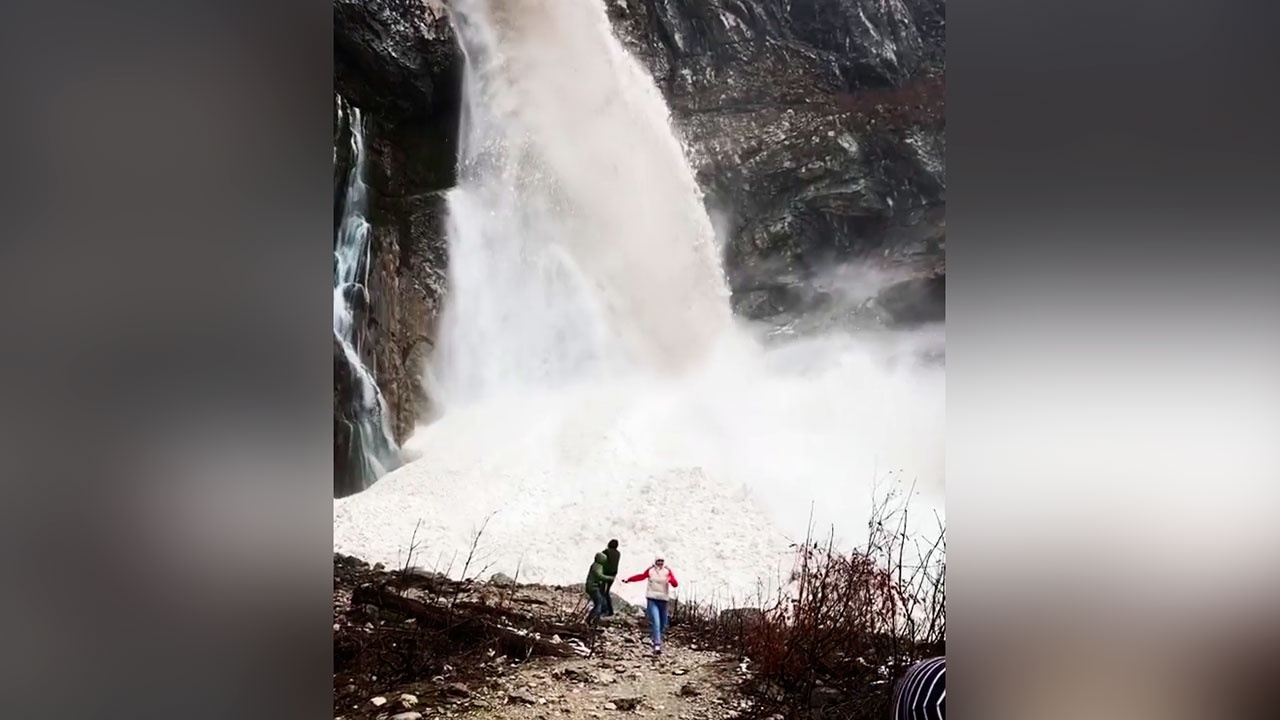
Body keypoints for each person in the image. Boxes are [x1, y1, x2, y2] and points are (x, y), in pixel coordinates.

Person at [622, 557, 678, 653]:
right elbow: (641, 576)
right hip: (652, 599)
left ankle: (656, 638)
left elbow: (675, 584)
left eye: (662, 561)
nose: (660, 563)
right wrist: (629, 579)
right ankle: (657, 645)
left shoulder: (667, 571)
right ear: (655, 562)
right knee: (656, 621)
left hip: (663, 600)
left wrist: (670, 579)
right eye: (658, 561)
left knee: (663, 623)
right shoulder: (650, 570)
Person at [583, 551, 614, 625]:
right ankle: (592, 619)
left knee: (599, 603)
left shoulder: (596, 565)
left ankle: (592, 619)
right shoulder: (597, 566)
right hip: (593, 587)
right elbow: (599, 575)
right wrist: (609, 578)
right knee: (599, 603)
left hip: (593, 587)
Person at [601, 539, 621, 617]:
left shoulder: (606, 552)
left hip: (605, 574)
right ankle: (610, 610)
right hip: (613, 575)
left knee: (602, 591)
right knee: (606, 592)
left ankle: (605, 610)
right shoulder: (618, 553)